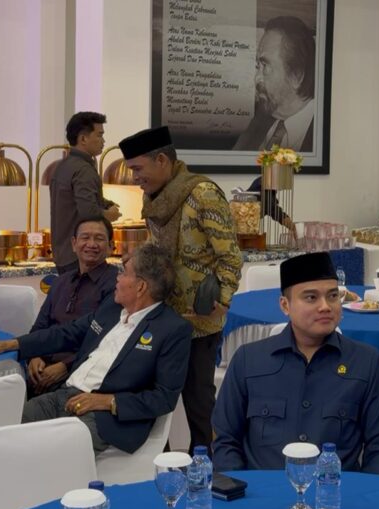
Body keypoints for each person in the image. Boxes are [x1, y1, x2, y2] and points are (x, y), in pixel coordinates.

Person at [0, 243, 191, 453]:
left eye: (124, 273)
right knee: (1, 431)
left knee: (43, 449)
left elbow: (164, 397)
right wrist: (10, 344)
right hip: (64, 396)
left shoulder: (172, 329)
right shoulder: (112, 308)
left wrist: (108, 401)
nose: (117, 279)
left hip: (105, 418)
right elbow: (66, 333)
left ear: (141, 287)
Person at [212, 252, 379, 475]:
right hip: (262, 497)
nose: (325, 307)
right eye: (311, 298)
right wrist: (239, 493)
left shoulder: (366, 362)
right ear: (285, 305)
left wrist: (363, 499)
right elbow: (225, 441)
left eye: (332, 296)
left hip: (336, 497)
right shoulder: (248, 360)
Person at [119, 126, 242, 455]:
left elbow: (229, 256)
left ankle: (208, 469)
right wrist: (140, 256)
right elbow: (161, 246)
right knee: (156, 401)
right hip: (162, 318)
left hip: (197, 321)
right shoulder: (155, 198)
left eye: (137, 169)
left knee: (199, 404)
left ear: (162, 160)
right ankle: (164, 464)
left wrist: (222, 302)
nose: (135, 178)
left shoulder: (202, 194)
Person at [26, 215, 119, 398]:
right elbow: (39, 327)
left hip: (82, 376)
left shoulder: (116, 285)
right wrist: (34, 356)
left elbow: (105, 341)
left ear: (110, 246)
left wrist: (64, 367)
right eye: (85, 237)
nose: (91, 244)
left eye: (99, 238)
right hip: (42, 368)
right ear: (74, 244)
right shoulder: (61, 282)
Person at [51, 111, 121, 275]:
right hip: (80, 257)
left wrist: (104, 202)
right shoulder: (83, 170)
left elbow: (79, 199)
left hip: (63, 253)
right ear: (83, 139)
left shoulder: (62, 166)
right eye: (99, 135)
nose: (103, 141)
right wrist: (108, 215)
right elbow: (88, 212)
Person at [233, 16, 316, 152]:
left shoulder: (327, 131)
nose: (257, 78)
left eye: (265, 66)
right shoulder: (259, 120)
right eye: (257, 66)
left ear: (296, 76)